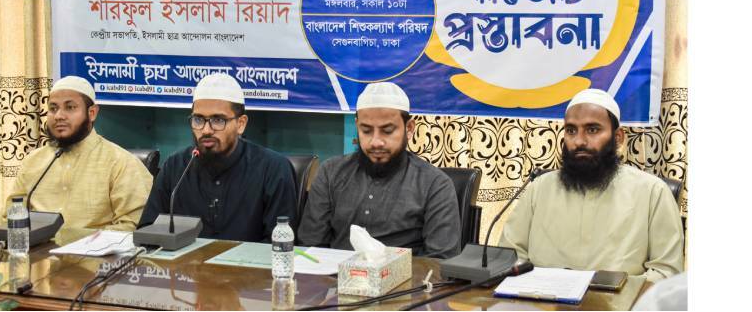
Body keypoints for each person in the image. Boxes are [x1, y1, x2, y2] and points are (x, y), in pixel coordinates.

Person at [500, 89, 684, 282]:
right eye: (571, 130)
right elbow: (509, 256)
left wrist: (615, 291)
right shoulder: (539, 188)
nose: (579, 141)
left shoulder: (652, 192)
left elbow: (666, 273)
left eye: (592, 130)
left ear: (618, 137)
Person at [298, 82, 461, 258]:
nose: (376, 142)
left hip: (406, 275)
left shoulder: (435, 184)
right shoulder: (330, 173)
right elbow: (310, 247)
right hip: (334, 274)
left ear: (409, 129)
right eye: (366, 130)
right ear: (357, 126)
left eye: (387, 131)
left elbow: (440, 262)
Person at [139, 73, 296, 242]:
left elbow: (280, 243)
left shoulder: (272, 169)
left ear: (241, 124)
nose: (206, 130)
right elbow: (149, 232)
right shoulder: (176, 166)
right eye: (198, 120)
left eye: (218, 120)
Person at [6, 76, 153, 231]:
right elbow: (12, 216)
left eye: (70, 107)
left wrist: (79, 240)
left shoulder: (121, 163)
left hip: (96, 247)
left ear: (92, 113)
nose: (59, 116)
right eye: (53, 108)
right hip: (37, 247)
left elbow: (133, 227)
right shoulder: (33, 161)